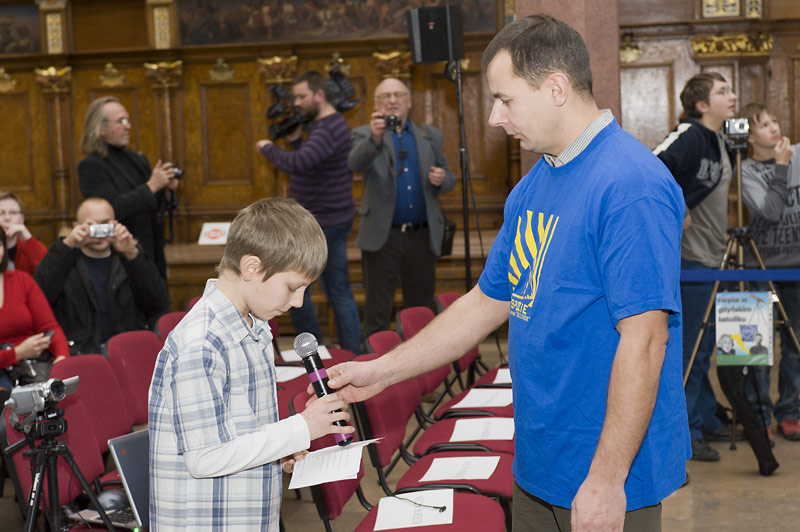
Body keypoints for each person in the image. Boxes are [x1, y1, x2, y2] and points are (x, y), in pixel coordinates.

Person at [325, 14, 689, 532]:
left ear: (556, 89)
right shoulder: (533, 186)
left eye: (505, 99)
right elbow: (484, 303)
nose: (495, 117)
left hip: (604, 468)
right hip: (538, 460)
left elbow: (646, 340)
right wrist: (381, 372)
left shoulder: (630, 184)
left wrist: (608, 479)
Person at [148, 197, 354, 531]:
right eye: (292, 287)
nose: (298, 301)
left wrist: (281, 447)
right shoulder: (201, 342)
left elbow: (238, 434)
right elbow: (205, 458)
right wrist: (301, 428)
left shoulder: (254, 327)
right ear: (251, 268)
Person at [653, 72, 738, 462]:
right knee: (689, 350)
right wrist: (679, 206)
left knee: (704, 347)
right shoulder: (689, 134)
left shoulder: (720, 139)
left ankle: (705, 417)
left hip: (712, 257)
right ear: (702, 104)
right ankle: (687, 430)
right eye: (723, 91)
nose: (731, 96)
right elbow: (652, 168)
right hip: (690, 260)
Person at [256, 71, 361, 354]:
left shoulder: (327, 127)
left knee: (299, 291)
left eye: (302, 96)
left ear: (319, 95)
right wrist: (294, 141)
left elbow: (300, 163)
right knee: (335, 291)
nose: (297, 103)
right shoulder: (327, 125)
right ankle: (345, 353)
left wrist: (268, 149)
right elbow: (315, 162)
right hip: (327, 220)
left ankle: (317, 355)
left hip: (321, 224)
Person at [348, 77, 455, 339]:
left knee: (420, 309)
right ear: (376, 104)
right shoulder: (364, 134)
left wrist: (442, 178)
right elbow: (354, 163)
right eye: (386, 96)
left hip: (422, 236)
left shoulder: (430, 136)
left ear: (409, 102)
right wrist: (375, 138)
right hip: (383, 237)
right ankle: (373, 360)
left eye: (398, 95)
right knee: (378, 307)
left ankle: (420, 361)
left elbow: (449, 177)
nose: (393, 100)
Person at [34, 198, 169, 355]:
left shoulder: (129, 257)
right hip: (82, 353)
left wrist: (132, 254)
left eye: (105, 224)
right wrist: (67, 246)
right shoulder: (63, 260)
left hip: (127, 350)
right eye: (91, 226)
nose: (99, 233)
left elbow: (157, 302)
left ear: (116, 225)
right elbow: (41, 298)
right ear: (76, 227)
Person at [738, 102, 800, 442]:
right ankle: (759, 415)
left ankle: (790, 412)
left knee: (795, 346)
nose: (774, 128)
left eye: (775, 121)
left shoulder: (797, 155)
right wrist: (781, 166)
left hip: (795, 269)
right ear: (750, 137)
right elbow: (771, 211)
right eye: (763, 125)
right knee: (756, 348)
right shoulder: (745, 170)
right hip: (760, 267)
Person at [77, 96, 178, 279]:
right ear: (100, 128)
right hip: (120, 259)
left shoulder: (137, 159)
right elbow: (112, 209)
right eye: (121, 121)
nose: (128, 126)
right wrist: (152, 186)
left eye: (128, 121)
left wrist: (166, 190)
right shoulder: (91, 166)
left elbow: (151, 204)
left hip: (151, 252)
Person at [0, 228, 69, 393]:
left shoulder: (22, 280)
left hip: (35, 366)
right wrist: (17, 353)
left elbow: (50, 327)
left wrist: (62, 359)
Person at [0, 190, 47, 275]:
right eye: (1, 213)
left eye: (13, 213)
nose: (7, 218)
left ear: (22, 219)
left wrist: (28, 238)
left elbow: (48, 270)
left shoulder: (31, 247)